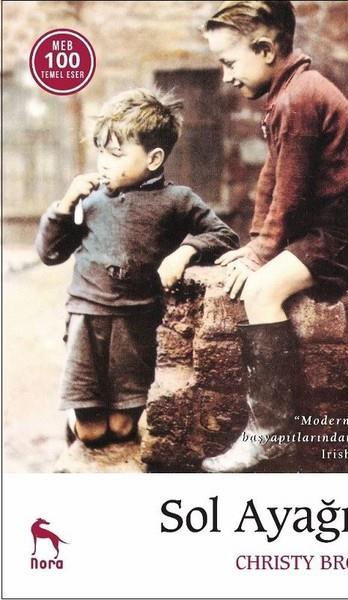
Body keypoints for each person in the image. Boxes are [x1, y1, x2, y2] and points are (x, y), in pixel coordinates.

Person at [201, 0, 348, 472]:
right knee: (260, 273)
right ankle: (269, 433)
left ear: (266, 50)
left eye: (230, 62)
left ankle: (270, 434)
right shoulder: (287, 92)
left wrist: (263, 257)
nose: (227, 76)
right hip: (334, 222)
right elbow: (272, 176)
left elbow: (290, 195)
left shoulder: (299, 98)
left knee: (262, 291)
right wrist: (256, 244)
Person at [36, 87, 239, 447]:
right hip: (87, 318)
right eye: (101, 151)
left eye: (116, 154)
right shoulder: (90, 200)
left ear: (154, 158)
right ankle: (75, 423)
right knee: (92, 433)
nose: (103, 162)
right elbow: (50, 253)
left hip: (137, 323)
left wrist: (185, 252)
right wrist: (65, 206)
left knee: (121, 428)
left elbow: (225, 236)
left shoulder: (177, 199)